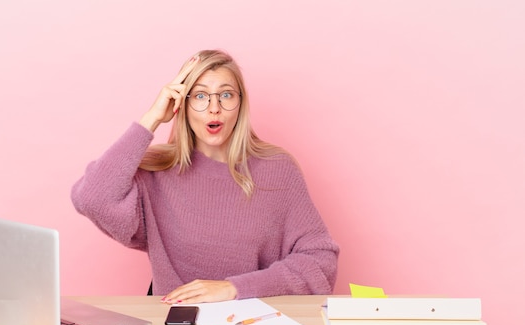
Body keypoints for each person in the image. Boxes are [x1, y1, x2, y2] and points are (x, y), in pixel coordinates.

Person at [71, 49, 339, 305]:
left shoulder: (277, 169)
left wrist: (233, 288)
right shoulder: (157, 171)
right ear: (182, 106)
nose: (214, 108)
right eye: (200, 96)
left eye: (226, 95)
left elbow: (320, 261)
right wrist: (152, 118)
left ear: (241, 104)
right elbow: (91, 198)